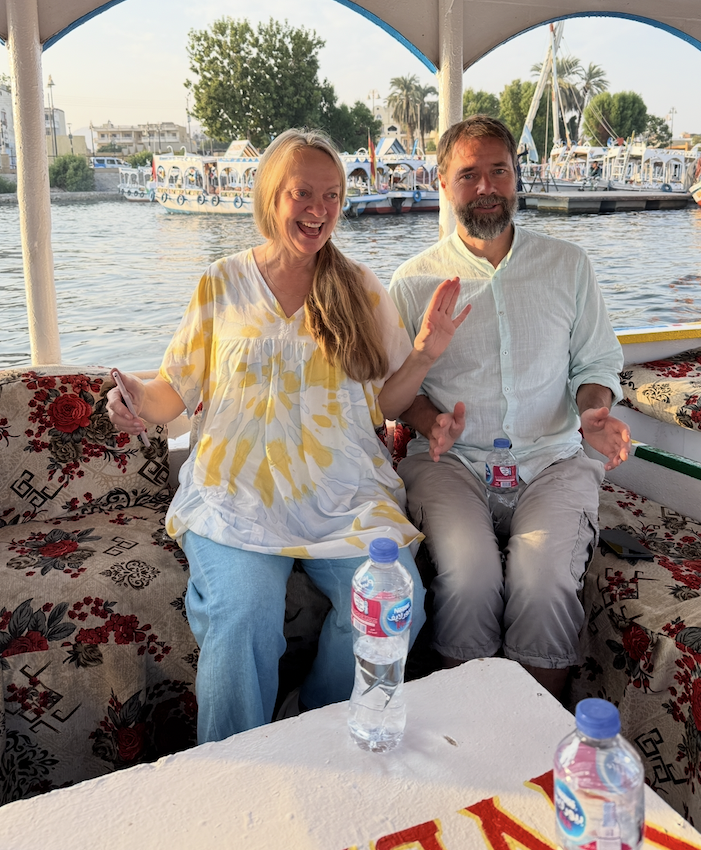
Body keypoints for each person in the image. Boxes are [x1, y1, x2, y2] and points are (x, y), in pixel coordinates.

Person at [106, 128, 468, 743]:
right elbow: (174, 389)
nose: (319, 209)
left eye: (332, 195)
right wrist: (136, 399)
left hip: (343, 490)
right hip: (236, 490)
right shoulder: (221, 283)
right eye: (303, 192)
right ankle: (233, 769)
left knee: (391, 606)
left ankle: (314, 727)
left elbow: (385, 402)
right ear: (271, 196)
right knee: (242, 614)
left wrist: (426, 354)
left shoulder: (360, 288)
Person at [389, 116, 630, 700]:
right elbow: (393, 395)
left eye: (499, 170)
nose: (486, 187)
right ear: (443, 183)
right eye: (468, 174)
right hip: (452, 465)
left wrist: (593, 411)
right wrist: (428, 420)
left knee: (542, 581)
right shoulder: (412, 282)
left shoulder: (568, 265)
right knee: (470, 579)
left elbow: (596, 364)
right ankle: (469, 731)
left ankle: (537, 730)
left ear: (517, 176)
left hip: (552, 460)